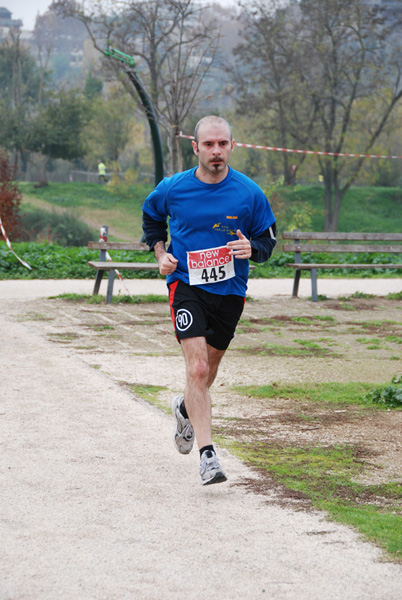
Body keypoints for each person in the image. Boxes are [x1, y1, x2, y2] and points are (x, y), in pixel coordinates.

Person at [142, 115, 277, 485]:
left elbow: (268, 240)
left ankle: (185, 407)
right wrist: (160, 253)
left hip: (230, 292)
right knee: (197, 369)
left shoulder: (249, 193)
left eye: (222, 144)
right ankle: (208, 457)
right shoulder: (173, 188)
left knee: (208, 373)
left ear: (232, 146)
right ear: (195, 147)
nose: (215, 151)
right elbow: (152, 219)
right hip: (185, 285)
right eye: (208, 144)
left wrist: (254, 248)